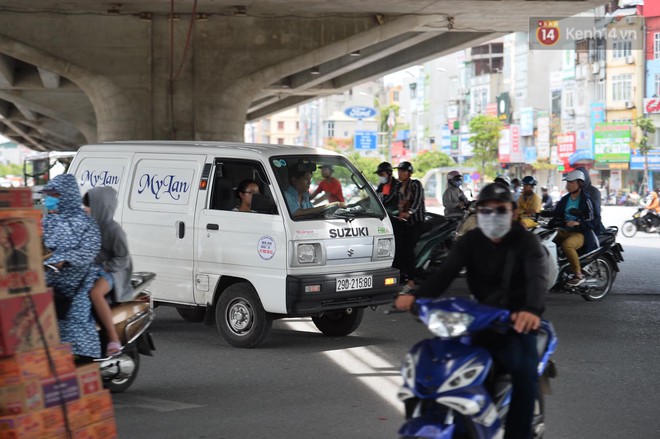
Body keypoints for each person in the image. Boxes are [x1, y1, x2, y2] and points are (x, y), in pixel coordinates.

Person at [395, 182, 548, 439]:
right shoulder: (471, 241)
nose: (493, 216)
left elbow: (537, 278)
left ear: (512, 212)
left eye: (500, 210)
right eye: (486, 210)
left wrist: (530, 310)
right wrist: (416, 298)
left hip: (516, 324)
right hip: (478, 320)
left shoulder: (526, 242)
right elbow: (445, 274)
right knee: (435, 363)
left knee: (524, 375)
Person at [42, 174, 102, 362]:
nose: (49, 200)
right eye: (48, 195)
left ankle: (86, 366)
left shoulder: (85, 223)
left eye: (54, 195)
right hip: (48, 282)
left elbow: (89, 251)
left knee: (76, 323)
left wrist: (63, 260)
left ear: (66, 196)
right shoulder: (48, 221)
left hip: (75, 284)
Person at [83, 187, 133, 356]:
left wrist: (104, 267)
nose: (86, 209)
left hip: (113, 271)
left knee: (95, 293)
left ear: (101, 206)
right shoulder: (88, 226)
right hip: (93, 268)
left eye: (90, 205)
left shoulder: (113, 230)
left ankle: (113, 339)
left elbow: (122, 259)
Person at [551, 170, 599, 287]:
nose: (568, 185)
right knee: (543, 240)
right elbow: (556, 214)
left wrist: (578, 223)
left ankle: (578, 275)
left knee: (567, 245)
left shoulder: (586, 200)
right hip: (563, 230)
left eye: (571, 182)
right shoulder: (564, 199)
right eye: (567, 182)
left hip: (580, 233)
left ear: (580, 184)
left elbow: (594, 221)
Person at [395, 161, 426, 292]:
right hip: (404, 221)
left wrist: (410, 212)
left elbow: (418, 201)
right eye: (399, 171)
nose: (401, 173)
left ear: (409, 173)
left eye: (403, 171)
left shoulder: (415, 184)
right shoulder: (398, 187)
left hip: (416, 221)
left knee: (408, 249)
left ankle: (411, 282)